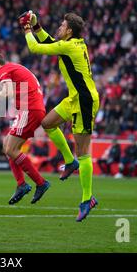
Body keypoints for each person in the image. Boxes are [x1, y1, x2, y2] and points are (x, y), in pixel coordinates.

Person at [19, 11, 99, 221]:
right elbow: (50, 41)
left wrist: (27, 29)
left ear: (69, 31)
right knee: (47, 123)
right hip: (74, 98)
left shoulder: (68, 46)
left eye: (62, 26)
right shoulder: (73, 44)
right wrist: (36, 26)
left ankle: (87, 198)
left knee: (84, 152)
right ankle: (69, 161)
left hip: (84, 101)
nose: (59, 28)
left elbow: (35, 47)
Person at [0, 52, 50, 205]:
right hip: (31, 109)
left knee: (11, 149)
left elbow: (7, 92)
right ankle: (22, 184)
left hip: (30, 110)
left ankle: (39, 183)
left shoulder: (4, 70)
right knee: (7, 145)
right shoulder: (14, 68)